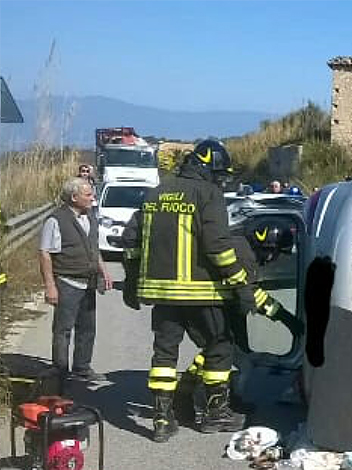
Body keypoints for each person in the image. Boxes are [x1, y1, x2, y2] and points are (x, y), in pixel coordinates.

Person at [121, 139, 256, 442]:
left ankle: (161, 418)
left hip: (163, 295)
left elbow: (131, 240)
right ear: (207, 168)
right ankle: (215, 412)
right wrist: (241, 284)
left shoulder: (156, 192)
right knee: (218, 349)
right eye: (219, 173)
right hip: (201, 293)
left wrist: (131, 283)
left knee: (165, 354)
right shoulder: (209, 194)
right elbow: (217, 247)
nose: (220, 179)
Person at [172, 220, 302, 425]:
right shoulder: (245, 256)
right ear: (266, 247)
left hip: (217, 305)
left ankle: (207, 395)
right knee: (221, 352)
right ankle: (208, 404)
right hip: (213, 306)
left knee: (220, 352)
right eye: (275, 253)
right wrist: (285, 318)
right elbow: (251, 296)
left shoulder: (240, 247)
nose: (274, 259)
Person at [38, 177, 113, 384]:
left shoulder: (90, 216)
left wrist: (104, 271)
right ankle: (60, 369)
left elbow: (93, 248)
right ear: (73, 197)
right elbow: (45, 253)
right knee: (63, 329)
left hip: (88, 281)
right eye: (88, 195)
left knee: (87, 329)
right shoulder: (56, 220)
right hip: (67, 282)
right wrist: (50, 286)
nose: (93, 198)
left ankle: (82, 368)